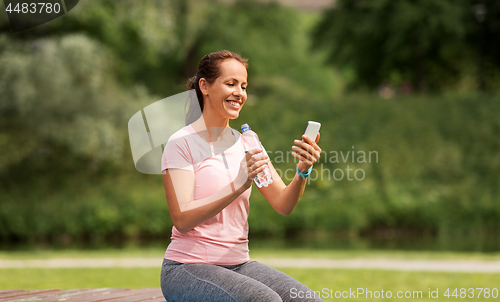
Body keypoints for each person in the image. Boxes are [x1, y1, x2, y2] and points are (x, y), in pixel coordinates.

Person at [160, 50, 322, 302]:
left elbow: (283, 204)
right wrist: (239, 183)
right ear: (204, 86)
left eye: (244, 86)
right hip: (186, 268)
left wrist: (303, 170)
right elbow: (181, 218)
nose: (240, 93)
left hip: (238, 264)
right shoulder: (181, 143)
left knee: (307, 299)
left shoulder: (248, 141)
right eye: (231, 83)